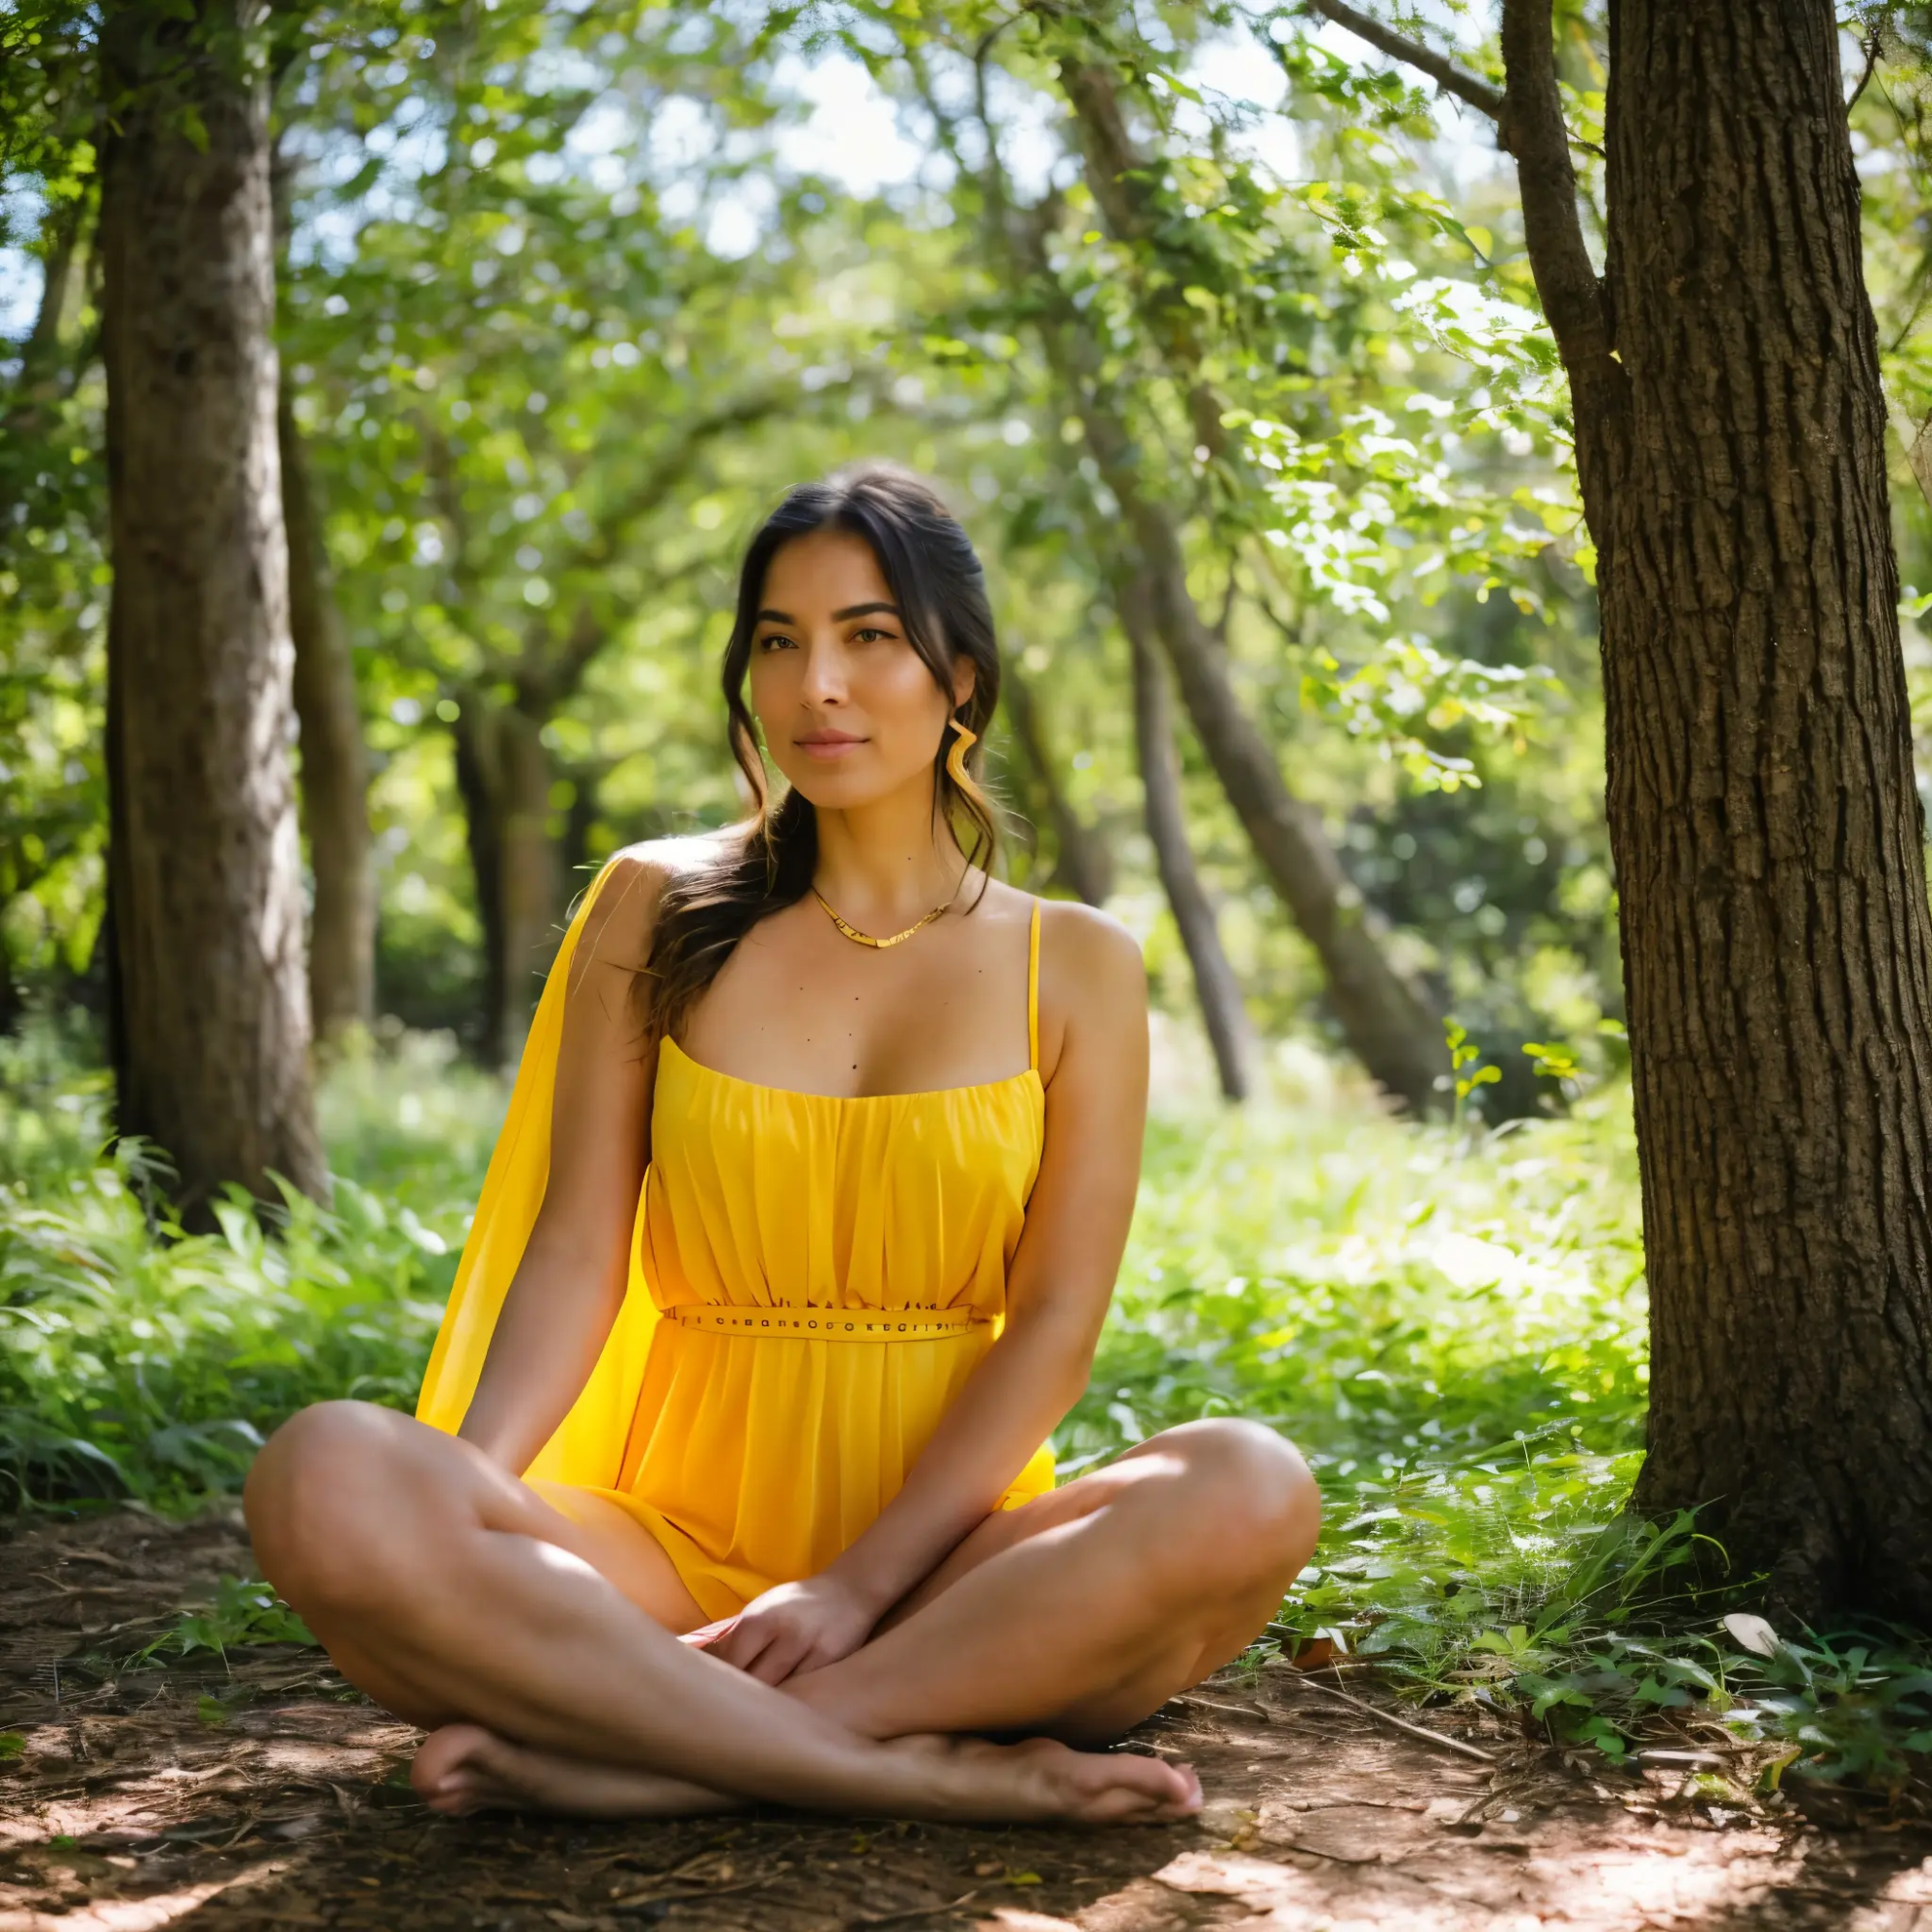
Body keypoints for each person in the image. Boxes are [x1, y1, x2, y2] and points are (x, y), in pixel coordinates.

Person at [245, 464, 1321, 1824]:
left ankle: (661, 1755)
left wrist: (856, 1587)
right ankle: (888, 1771)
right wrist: (467, 1504)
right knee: (329, 1474)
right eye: (778, 640)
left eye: (870, 637)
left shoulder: (1078, 963)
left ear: (962, 681)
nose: (818, 683)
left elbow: (1053, 1326)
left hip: (950, 1577)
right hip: (662, 1555)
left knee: (1249, 1484)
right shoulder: (659, 907)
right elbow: (578, 1249)